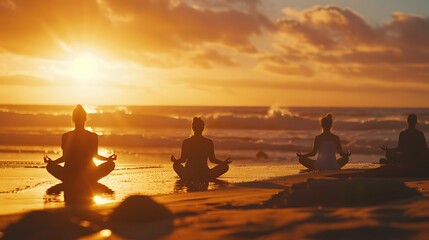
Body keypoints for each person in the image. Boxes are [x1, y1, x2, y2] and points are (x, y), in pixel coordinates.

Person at [43, 105, 117, 183]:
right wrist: (108, 159)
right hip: (90, 174)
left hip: (70, 174)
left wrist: (52, 162)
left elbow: (64, 158)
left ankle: (72, 180)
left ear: (73, 119)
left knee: (50, 166)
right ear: (85, 119)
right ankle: (87, 180)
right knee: (111, 164)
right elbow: (95, 155)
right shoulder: (93, 136)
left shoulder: (66, 136)